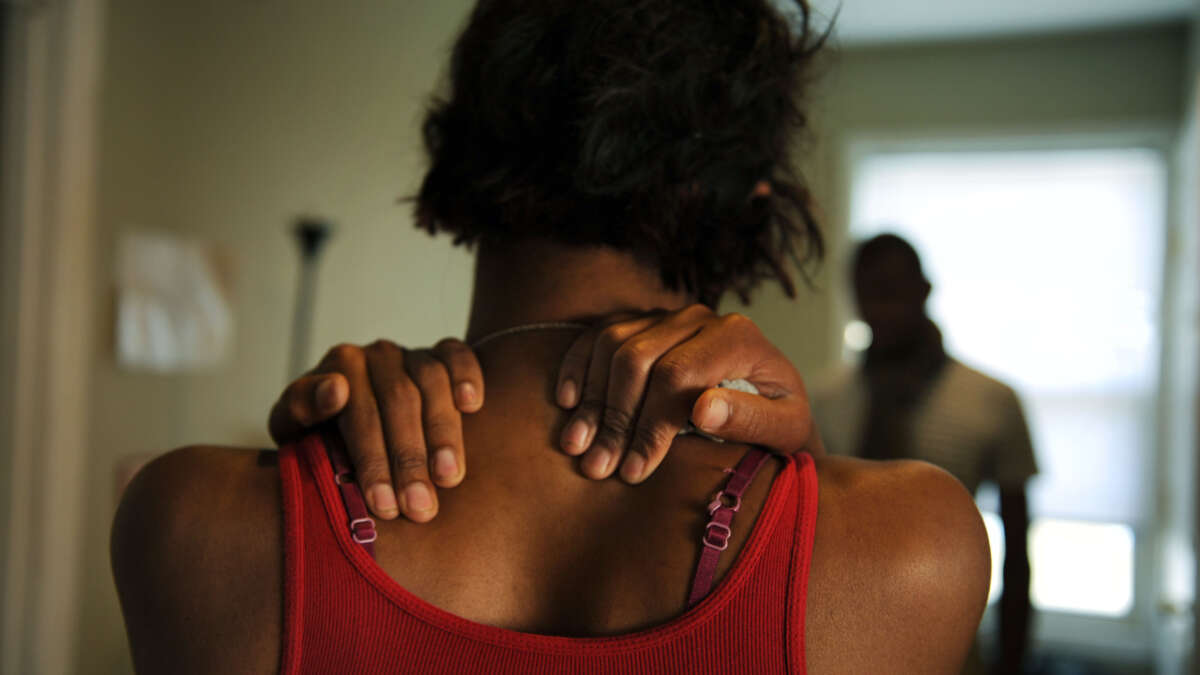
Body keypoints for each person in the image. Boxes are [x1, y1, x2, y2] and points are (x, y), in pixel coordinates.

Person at [111, 2, 990, 673]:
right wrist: (813, 476)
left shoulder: (187, 520)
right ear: (753, 199)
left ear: (457, 154)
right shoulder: (919, 548)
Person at [811, 233, 1038, 674]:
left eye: (893, 291)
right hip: (838, 632)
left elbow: (1018, 550)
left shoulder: (991, 400)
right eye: (869, 293)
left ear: (924, 290)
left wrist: (1013, 659)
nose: (881, 307)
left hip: (950, 635)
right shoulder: (825, 399)